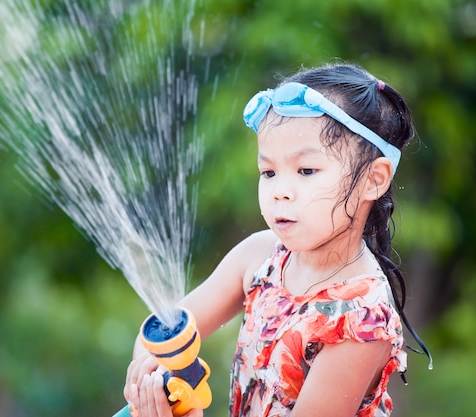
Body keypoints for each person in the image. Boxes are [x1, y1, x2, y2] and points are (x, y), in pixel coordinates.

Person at [123, 61, 431, 417]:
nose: (280, 191)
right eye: (268, 171)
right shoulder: (260, 255)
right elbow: (164, 334)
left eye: (306, 171)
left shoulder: (362, 320)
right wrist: (153, 377)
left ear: (373, 180)